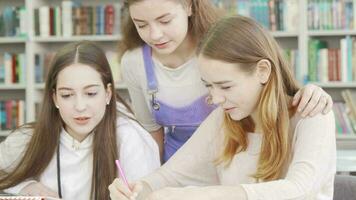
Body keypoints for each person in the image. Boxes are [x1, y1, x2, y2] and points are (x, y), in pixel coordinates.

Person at [109, 15, 336, 200]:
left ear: (263, 71)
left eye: (225, 86)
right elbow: (171, 176)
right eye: (209, 86)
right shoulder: (223, 120)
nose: (216, 98)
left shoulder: (312, 116)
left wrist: (204, 195)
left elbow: (300, 190)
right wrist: (139, 188)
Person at [119, 0, 333, 162]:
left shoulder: (222, 48)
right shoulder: (133, 63)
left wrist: (311, 93)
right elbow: (151, 133)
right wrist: (153, 182)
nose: (155, 35)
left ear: (188, 6)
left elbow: (275, 91)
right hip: (178, 167)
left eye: (165, 21)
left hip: (235, 161)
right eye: (141, 25)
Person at [0, 41, 160, 200]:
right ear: (55, 98)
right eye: (67, 95)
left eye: (90, 93)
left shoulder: (131, 139)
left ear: (108, 93)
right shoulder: (28, 138)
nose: (80, 106)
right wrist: (25, 186)